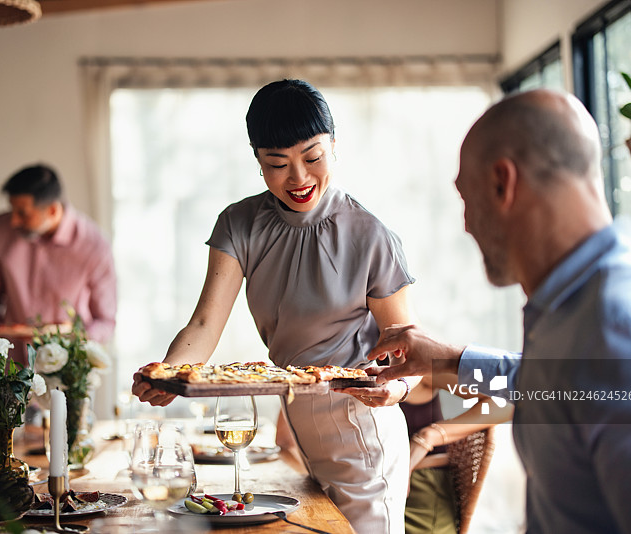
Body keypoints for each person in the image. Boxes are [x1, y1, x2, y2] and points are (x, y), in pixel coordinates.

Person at [132, 79, 419, 533]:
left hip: (361, 429)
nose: (299, 178)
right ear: (258, 162)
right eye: (277, 164)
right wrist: (170, 373)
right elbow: (205, 323)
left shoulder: (369, 236)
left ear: (334, 146)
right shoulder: (239, 223)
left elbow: (410, 352)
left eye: (313, 157)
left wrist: (397, 390)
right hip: (296, 425)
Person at [370, 89, 631, 534]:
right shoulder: (581, 309)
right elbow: (563, 387)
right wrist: (448, 360)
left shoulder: (619, 326)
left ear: (504, 183)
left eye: (466, 198)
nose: (466, 225)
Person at [0, 164, 117, 361]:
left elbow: (105, 320)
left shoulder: (94, 244)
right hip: (10, 363)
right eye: (12, 210)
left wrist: (78, 345)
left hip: (67, 368)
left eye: (22, 213)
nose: (14, 220)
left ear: (51, 210)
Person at [401, 375, 513, 534]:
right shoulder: (356, 362)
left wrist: (430, 435)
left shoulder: (410, 361)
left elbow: (506, 402)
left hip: (420, 484)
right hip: (363, 481)